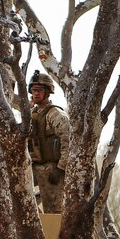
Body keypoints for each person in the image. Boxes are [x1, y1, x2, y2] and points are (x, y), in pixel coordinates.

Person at [27, 73, 70, 213]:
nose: (36, 93)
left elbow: (67, 140)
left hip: (52, 168)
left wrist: (60, 168)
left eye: (39, 90)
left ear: (47, 92)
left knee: (54, 212)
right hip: (33, 167)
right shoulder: (31, 113)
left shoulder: (55, 114)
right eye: (33, 90)